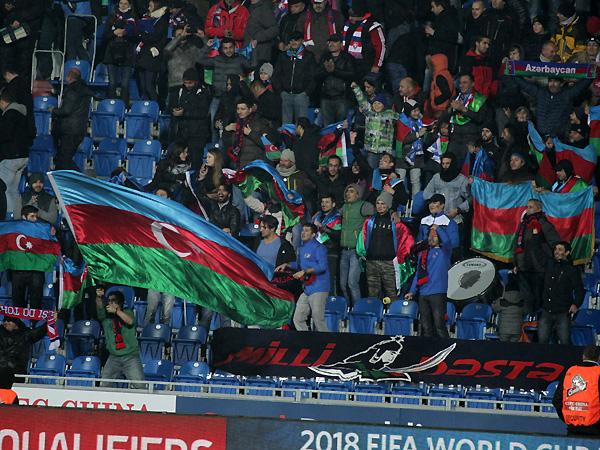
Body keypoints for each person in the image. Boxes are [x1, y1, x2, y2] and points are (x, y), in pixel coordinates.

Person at [406, 194, 458, 338]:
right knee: (426, 327)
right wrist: (412, 291)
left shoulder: (444, 252)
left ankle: (447, 349)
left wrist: (437, 228)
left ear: (442, 205)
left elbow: (449, 242)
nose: (431, 238)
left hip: (437, 291)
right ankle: (427, 350)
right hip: (423, 292)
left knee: (439, 326)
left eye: (435, 203)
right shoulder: (423, 254)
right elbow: (418, 273)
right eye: (430, 236)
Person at [357, 192, 414, 299]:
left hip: (389, 264)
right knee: (373, 294)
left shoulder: (395, 222)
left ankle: (391, 310)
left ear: (388, 205)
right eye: (378, 203)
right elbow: (362, 239)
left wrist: (399, 258)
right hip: (371, 263)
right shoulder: (369, 222)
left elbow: (407, 240)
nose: (380, 206)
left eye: (383, 203)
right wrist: (364, 255)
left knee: (391, 293)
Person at [277, 223, 329, 331]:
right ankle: (306, 339)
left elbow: (322, 267)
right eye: (302, 230)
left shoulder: (319, 248)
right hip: (307, 289)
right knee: (298, 319)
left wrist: (304, 272)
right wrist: (287, 265)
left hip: (319, 288)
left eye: (306, 231)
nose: (303, 233)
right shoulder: (301, 248)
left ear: (313, 234)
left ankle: (327, 340)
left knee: (318, 319)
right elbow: (300, 265)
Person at [514, 198, 560, 315]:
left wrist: (545, 260)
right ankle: (527, 322)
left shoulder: (544, 224)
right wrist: (516, 263)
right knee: (526, 300)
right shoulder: (523, 225)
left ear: (538, 209)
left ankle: (537, 322)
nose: (527, 209)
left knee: (538, 299)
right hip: (523, 268)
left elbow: (555, 244)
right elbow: (517, 245)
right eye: (527, 206)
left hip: (538, 269)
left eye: (531, 207)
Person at [96, 287, 144, 388]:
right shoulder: (105, 317)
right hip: (113, 357)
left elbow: (130, 321)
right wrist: (99, 297)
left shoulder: (128, 312)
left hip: (130, 356)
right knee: (104, 386)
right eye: (109, 301)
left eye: (113, 301)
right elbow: (99, 307)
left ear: (120, 303)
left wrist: (116, 311)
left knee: (140, 386)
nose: (110, 303)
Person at [538, 241, 584, 345]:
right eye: (555, 249)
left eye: (560, 249)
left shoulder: (572, 269)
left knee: (564, 342)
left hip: (563, 311)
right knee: (542, 342)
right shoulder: (548, 264)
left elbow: (579, 289)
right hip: (547, 310)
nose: (556, 251)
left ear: (567, 252)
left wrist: (576, 304)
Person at [167, 68, 211, 169]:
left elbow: (203, 112)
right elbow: (170, 106)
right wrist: (174, 111)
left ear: (196, 81)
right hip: (181, 133)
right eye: (185, 82)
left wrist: (184, 112)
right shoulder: (178, 91)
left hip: (197, 134)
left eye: (190, 83)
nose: (187, 85)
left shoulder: (203, 92)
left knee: (195, 162)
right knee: (178, 161)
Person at [0, 90, 35, 217]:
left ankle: (7, 217)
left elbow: (4, 134)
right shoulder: (23, 114)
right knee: (14, 190)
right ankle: (15, 216)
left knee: (4, 189)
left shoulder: (10, 114)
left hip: (10, 157)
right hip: (23, 156)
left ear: (3, 102)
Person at [553, 345, 600, 436]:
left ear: (583, 356)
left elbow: (557, 400)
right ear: (598, 358)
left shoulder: (570, 371)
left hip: (572, 429)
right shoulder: (598, 372)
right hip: (595, 429)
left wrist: (567, 418)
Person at [351, 81, 399, 169]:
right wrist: (356, 88)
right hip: (371, 150)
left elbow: (403, 119)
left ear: (384, 105)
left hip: (385, 151)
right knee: (371, 171)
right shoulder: (369, 113)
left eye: (379, 103)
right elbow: (362, 101)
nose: (376, 105)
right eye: (374, 103)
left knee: (385, 172)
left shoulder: (390, 114)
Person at [51, 69, 92, 171]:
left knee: (64, 159)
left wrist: (53, 110)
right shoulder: (85, 90)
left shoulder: (72, 90)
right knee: (64, 158)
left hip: (69, 129)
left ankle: (79, 177)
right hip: (80, 128)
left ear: (69, 77)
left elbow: (66, 110)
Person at [340, 183, 374, 306]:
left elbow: (377, 212)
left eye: (351, 191)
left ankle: (357, 309)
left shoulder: (364, 206)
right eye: (347, 191)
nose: (348, 194)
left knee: (352, 283)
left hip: (356, 251)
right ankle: (348, 308)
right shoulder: (344, 207)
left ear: (358, 194)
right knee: (343, 284)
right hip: (344, 250)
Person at [272, 31, 316, 124]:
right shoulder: (283, 55)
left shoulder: (309, 56)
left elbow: (313, 77)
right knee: (286, 125)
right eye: (291, 40)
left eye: (297, 40)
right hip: (286, 95)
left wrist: (306, 92)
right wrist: (281, 91)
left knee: (301, 125)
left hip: (301, 96)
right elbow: (276, 75)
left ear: (302, 41)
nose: (294, 42)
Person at [446, 73, 489, 163]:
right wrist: (449, 110)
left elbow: (480, 118)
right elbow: (446, 116)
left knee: (465, 167)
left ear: (472, 84)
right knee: (451, 165)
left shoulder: (480, 99)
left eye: (465, 82)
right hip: (454, 138)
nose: (461, 85)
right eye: (460, 83)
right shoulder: (456, 97)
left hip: (470, 139)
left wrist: (463, 109)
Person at [11, 206, 47, 312]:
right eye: (32, 216)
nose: (35, 219)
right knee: (18, 303)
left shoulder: (42, 230)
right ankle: (18, 321)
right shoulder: (12, 230)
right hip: (19, 270)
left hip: (36, 271)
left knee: (36, 303)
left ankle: (34, 322)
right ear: (24, 217)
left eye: (36, 216)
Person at [315, 33, 354, 126]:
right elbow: (316, 75)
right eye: (330, 42)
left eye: (335, 41)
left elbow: (352, 75)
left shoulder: (347, 58)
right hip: (326, 97)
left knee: (341, 126)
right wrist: (327, 71)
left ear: (341, 44)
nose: (331, 44)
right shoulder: (324, 57)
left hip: (342, 98)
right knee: (327, 128)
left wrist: (334, 71)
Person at [102, 0, 136, 104]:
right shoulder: (112, 16)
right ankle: (112, 107)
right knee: (112, 83)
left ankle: (124, 107)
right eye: (121, 3)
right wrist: (114, 33)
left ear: (129, 5)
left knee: (125, 85)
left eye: (125, 3)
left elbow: (136, 36)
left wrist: (125, 32)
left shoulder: (133, 18)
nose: (123, 5)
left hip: (127, 54)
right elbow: (105, 35)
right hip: (111, 54)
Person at [135, 0, 169, 102]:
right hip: (142, 56)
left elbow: (155, 37)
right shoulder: (148, 19)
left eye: (150, 6)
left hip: (152, 57)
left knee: (149, 87)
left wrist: (142, 34)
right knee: (143, 87)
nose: (148, 8)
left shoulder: (161, 20)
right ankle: (145, 108)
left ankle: (156, 108)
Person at [343, 0, 386, 80]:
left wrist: (377, 65)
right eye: (349, 16)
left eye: (353, 16)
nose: (350, 18)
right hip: (349, 64)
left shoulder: (373, 26)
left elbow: (380, 47)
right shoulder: (348, 25)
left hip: (366, 65)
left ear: (360, 16)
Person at [0, 317, 47, 391]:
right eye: (4, 320)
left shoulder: (25, 334)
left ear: (16, 323)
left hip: (17, 373)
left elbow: (39, 332)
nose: (5, 323)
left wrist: (50, 322)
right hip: (2, 371)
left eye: (9, 321)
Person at [312, 194, 341, 295]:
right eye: (322, 202)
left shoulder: (337, 217)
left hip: (330, 252)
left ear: (333, 204)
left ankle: (331, 302)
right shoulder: (318, 216)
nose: (324, 204)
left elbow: (337, 235)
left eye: (327, 202)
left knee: (329, 280)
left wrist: (322, 227)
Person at [243, 0, 278, 66]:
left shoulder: (264, 9)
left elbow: (274, 29)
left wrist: (257, 38)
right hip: (248, 52)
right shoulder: (247, 6)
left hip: (260, 53)